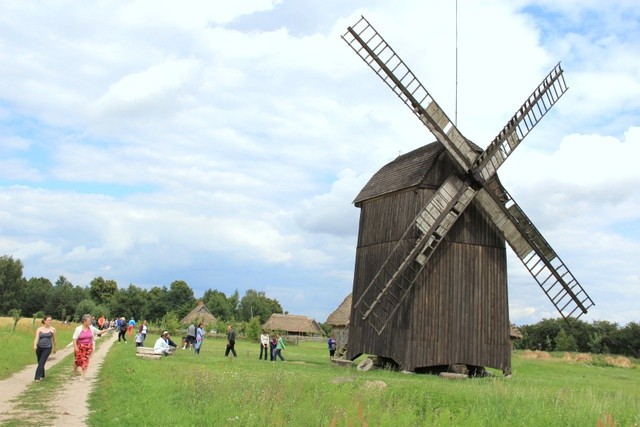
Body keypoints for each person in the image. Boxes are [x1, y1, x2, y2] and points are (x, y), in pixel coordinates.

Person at [72, 314, 111, 381]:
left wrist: (107, 329)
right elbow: (74, 339)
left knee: (85, 360)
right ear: (84, 321)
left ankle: (82, 376)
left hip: (88, 347)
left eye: (90, 321)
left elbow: (99, 332)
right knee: (77, 361)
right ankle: (74, 373)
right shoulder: (78, 329)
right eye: (89, 321)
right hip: (79, 347)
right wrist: (75, 347)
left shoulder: (91, 328)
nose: (90, 322)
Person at [33, 315, 57, 382]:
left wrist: (55, 347)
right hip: (39, 347)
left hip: (47, 347)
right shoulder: (39, 329)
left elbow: (54, 339)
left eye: (51, 320)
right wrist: (35, 345)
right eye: (49, 320)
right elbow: (36, 338)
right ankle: (42, 375)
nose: (50, 321)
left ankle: (37, 377)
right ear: (44, 321)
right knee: (40, 361)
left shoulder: (53, 329)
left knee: (42, 361)